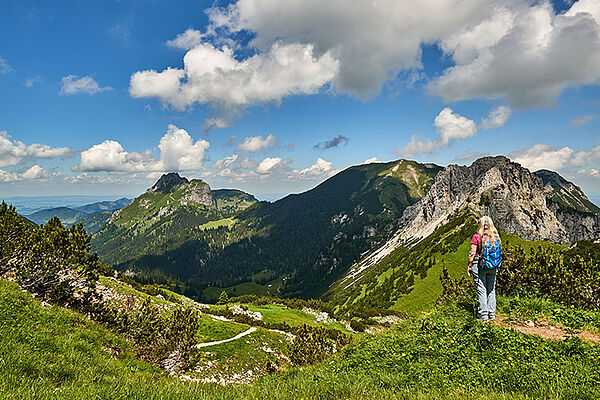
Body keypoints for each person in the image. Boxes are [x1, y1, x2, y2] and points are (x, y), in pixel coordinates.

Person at [467, 216, 501, 321]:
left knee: (481, 289)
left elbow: (472, 252)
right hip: (493, 266)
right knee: (491, 289)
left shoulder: (477, 236)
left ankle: (483, 316)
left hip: (479, 265)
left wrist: (469, 265)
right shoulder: (495, 236)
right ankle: (492, 314)